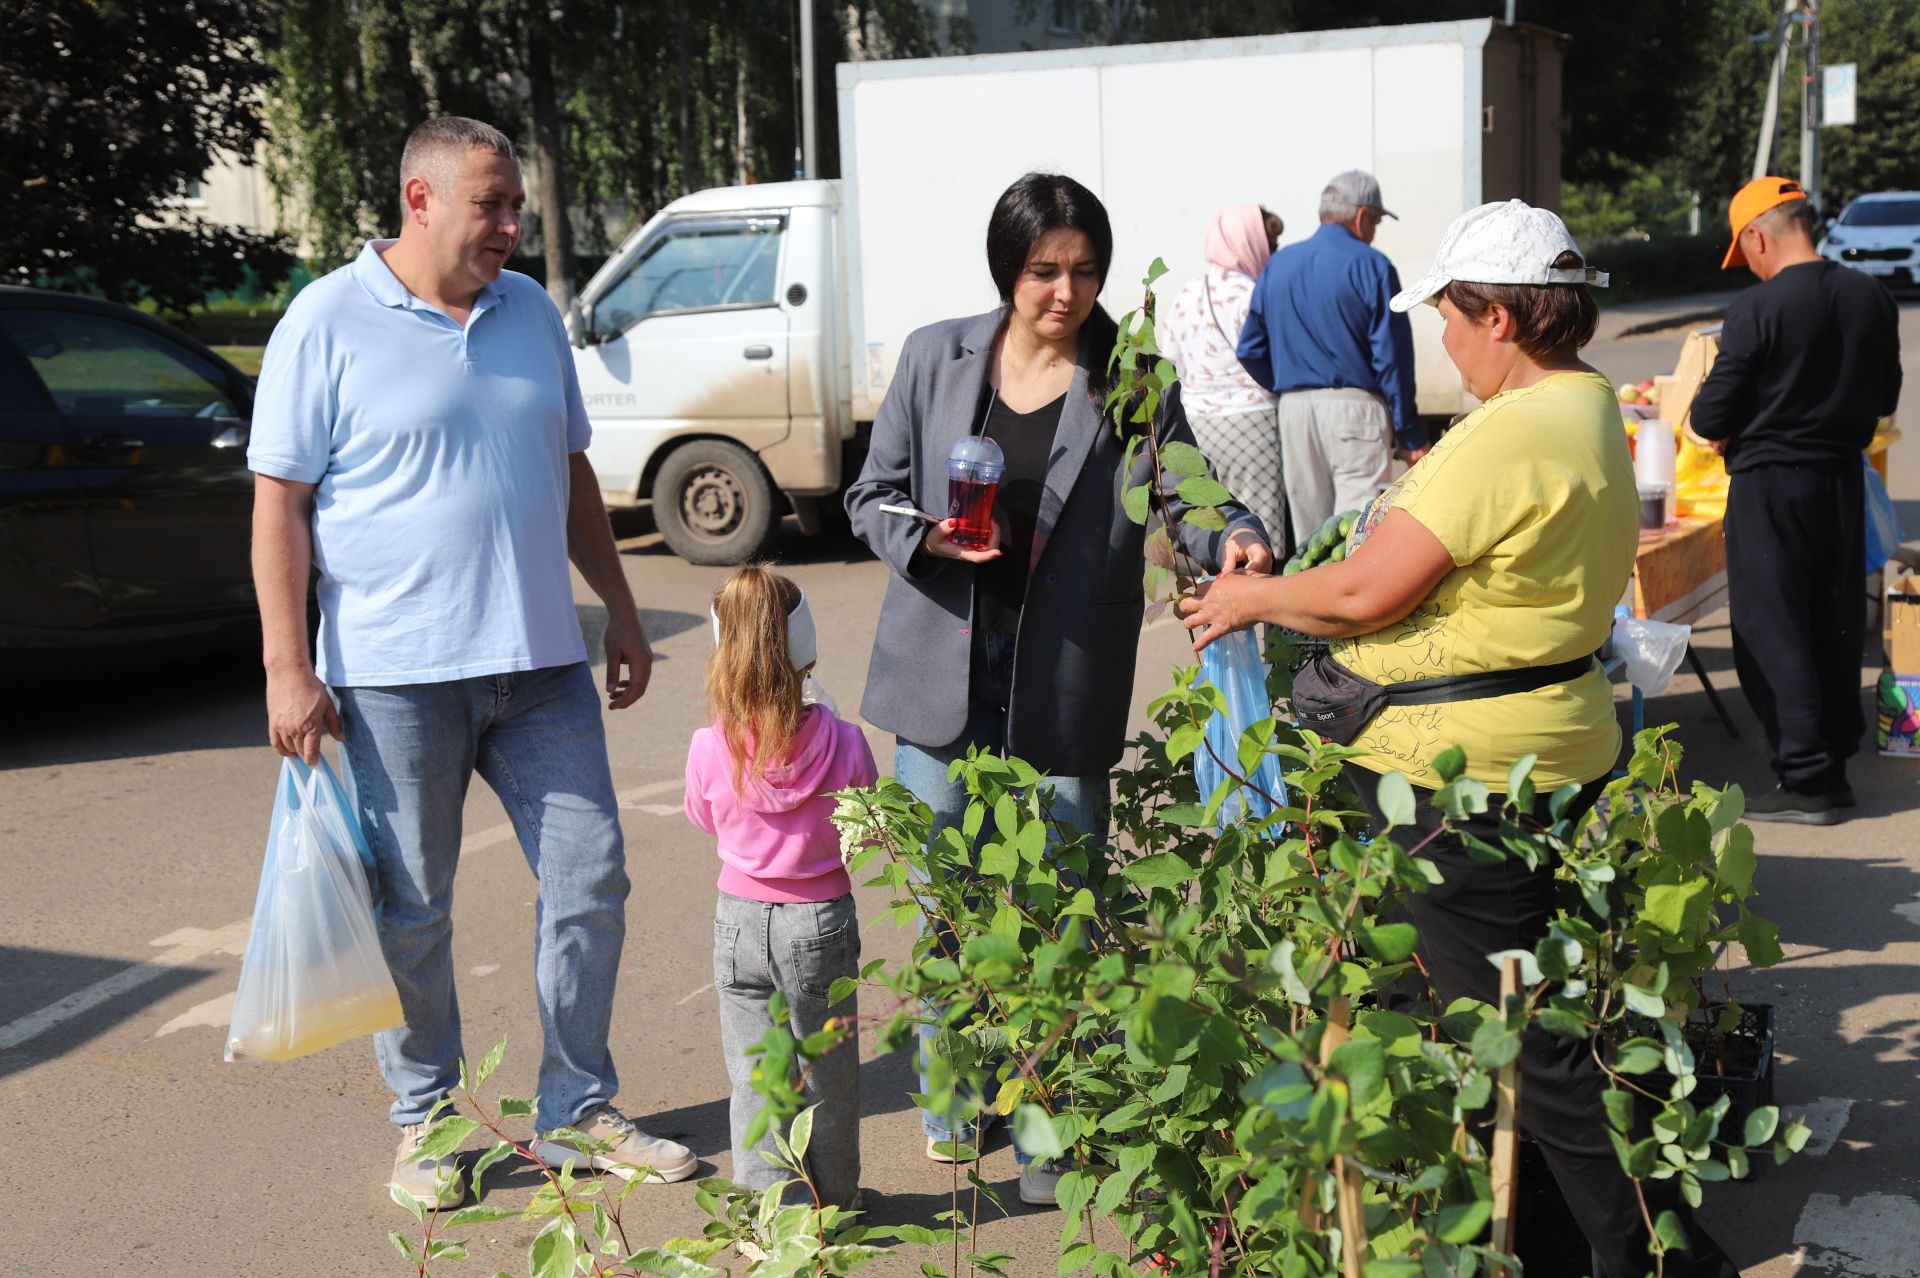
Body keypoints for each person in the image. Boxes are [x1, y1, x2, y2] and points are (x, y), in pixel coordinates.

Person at [1182, 200, 1741, 1278]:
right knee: (1497, 1010)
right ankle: (1532, 1235)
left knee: (1532, 1045)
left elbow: (1362, 590)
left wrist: (1249, 603)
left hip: (1467, 777)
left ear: (1499, 316)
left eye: (1448, 312)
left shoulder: (1517, 431)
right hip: (1532, 748)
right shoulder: (1580, 408)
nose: (1439, 334)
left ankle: (1665, 1262)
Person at [248, 116, 694, 1209]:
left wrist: (622, 608)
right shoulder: (327, 320)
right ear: (420, 200)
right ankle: (427, 1120)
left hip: (540, 663)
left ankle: (577, 1105)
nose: (511, 225)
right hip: (394, 675)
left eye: (515, 207)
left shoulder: (531, 310)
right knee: (412, 909)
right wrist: (285, 663)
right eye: (493, 205)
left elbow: (572, 467)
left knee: (590, 878)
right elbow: (279, 503)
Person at [844, 172, 1271, 1206]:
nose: (1064, 292)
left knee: (1059, 907)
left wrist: (1236, 535)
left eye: (1084, 271)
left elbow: (1183, 487)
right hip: (941, 669)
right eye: (1045, 270)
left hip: (1066, 675)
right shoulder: (935, 354)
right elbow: (871, 494)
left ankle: (1049, 1119)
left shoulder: (1126, 372)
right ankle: (952, 1098)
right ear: (1010, 267)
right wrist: (931, 538)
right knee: (946, 900)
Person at [1688, 176, 1904, 824]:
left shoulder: (1758, 309)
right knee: (1833, 621)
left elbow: (1708, 413)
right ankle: (1831, 766)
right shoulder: (1870, 296)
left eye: (1743, 250)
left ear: (1758, 236)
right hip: (1842, 479)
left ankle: (1806, 779)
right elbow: (1885, 398)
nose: (1748, 263)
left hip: (1770, 485)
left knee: (1771, 628)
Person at [685, 565, 876, 1210]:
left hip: (738, 917)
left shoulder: (709, 747)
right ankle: (838, 1203)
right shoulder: (846, 742)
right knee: (829, 1075)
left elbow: (702, 815)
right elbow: (867, 830)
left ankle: (769, 1209)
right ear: (804, 642)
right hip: (820, 920)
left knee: (756, 1076)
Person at [1236, 169, 1426, 548]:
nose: (1373, 231)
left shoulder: (1278, 264)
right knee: (1358, 532)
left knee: (1311, 539)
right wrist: (1409, 432)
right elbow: (1392, 357)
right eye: (1375, 221)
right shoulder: (1373, 265)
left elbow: (1249, 349)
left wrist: (1288, 383)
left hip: (1294, 412)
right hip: (1355, 408)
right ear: (1361, 217)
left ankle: (1312, 606)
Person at [1159, 204, 1288, 549]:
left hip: (1197, 425)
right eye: (1268, 244)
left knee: (1209, 523)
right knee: (1255, 535)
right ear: (1250, 244)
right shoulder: (1256, 294)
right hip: (1253, 426)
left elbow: (1171, 364)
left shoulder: (1185, 295)